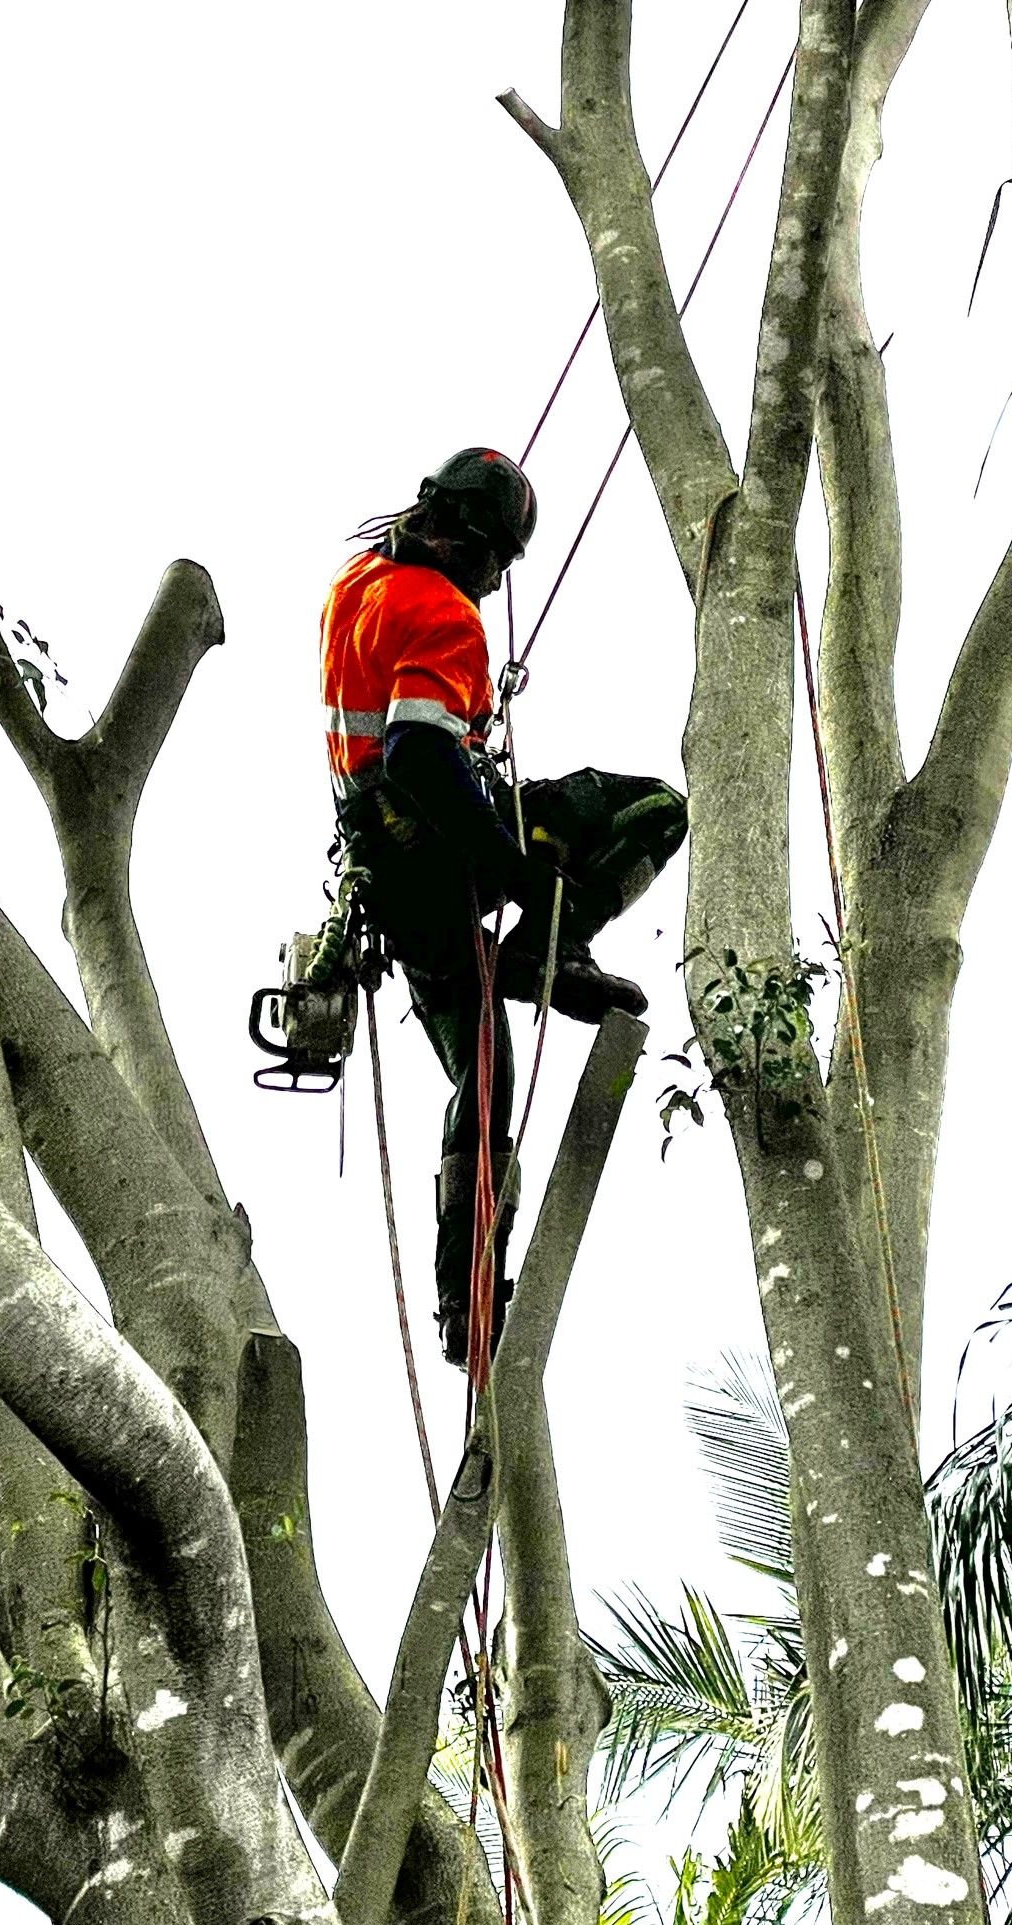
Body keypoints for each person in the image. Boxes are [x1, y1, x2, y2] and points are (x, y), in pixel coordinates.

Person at [321, 448, 687, 1367]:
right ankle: (543, 952)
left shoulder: (355, 585)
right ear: (474, 539)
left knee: (481, 1076)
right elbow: (416, 753)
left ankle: (466, 1305)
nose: (497, 582)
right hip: (445, 857)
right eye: (501, 562)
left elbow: (396, 744)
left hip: (401, 892)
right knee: (654, 809)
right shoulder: (442, 610)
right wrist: (514, 873)